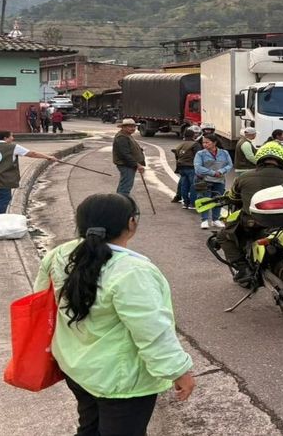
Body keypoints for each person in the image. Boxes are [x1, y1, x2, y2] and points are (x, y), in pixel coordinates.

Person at [36, 193, 195, 434]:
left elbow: (41, 301)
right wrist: (177, 371)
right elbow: (151, 330)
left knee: (89, 427)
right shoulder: (132, 271)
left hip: (76, 367)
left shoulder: (60, 255)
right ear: (131, 223)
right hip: (120, 380)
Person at [219, 142, 283, 284]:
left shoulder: (244, 177)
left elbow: (233, 198)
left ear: (259, 158)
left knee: (223, 236)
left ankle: (243, 269)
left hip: (255, 224)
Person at [0, 130, 57, 225]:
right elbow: (32, 153)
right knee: (2, 201)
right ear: (5, 138)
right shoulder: (13, 147)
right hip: (2, 180)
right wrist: (48, 157)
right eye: (11, 136)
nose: (13, 138)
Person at [193, 135, 232, 229]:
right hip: (204, 180)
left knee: (218, 199)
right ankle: (204, 220)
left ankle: (216, 219)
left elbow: (229, 165)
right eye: (203, 143)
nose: (205, 144)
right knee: (205, 199)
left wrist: (221, 171)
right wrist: (213, 173)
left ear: (214, 143)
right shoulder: (200, 154)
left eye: (207, 142)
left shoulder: (224, 153)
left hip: (220, 180)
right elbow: (198, 167)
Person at [112, 119, 147, 196]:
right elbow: (125, 154)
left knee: (124, 185)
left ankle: (119, 201)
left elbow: (129, 149)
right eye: (130, 127)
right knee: (125, 187)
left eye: (134, 126)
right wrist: (138, 165)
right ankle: (121, 204)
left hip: (128, 165)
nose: (133, 128)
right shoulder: (121, 137)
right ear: (123, 127)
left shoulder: (127, 135)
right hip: (126, 165)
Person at [171, 128, 200, 210]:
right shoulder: (195, 144)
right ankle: (193, 203)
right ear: (193, 135)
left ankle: (185, 203)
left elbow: (176, 156)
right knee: (193, 185)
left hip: (181, 167)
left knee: (184, 185)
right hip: (191, 167)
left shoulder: (181, 145)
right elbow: (198, 156)